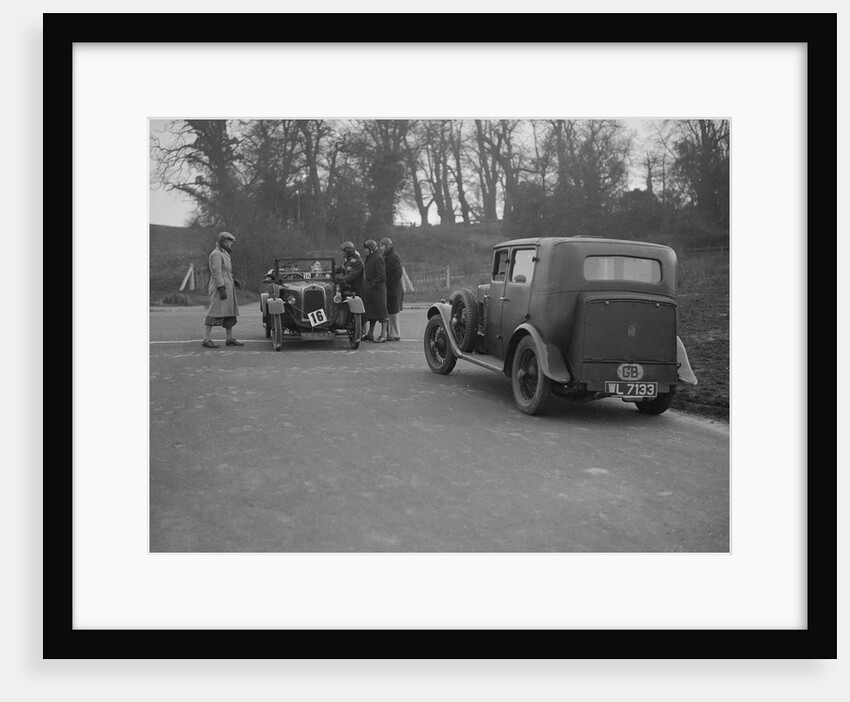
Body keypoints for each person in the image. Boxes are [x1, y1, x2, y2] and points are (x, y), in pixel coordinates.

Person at [202, 231, 243, 348]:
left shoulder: (224, 254)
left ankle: (229, 338)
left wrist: (233, 281)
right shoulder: (216, 254)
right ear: (224, 241)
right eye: (230, 241)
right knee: (215, 310)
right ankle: (206, 339)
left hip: (227, 285)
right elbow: (216, 273)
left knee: (229, 311)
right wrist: (221, 288)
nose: (231, 244)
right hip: (220, 286)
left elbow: (226, 272)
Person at [361, 239, 388, 342]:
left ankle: (383, 335)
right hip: (371, 290)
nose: (365, 251)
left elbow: (382, 276)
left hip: (378, 291)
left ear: (371, 248)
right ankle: (370, 334)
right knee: (371, 314)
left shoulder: (378, 258)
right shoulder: (371, 257)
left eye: (366, 249)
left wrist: (373, 285)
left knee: (382, 314)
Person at [380, 237, 404, 342]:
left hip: (394, 288)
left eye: (382, 246)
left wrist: (389, 283)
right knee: (390, 311)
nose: (381, 248)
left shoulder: (394, 256)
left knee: (394, 311)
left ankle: (395, 334)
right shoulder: (386, 256)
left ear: (388, 246)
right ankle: (391, 333)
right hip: (390, 287)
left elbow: (398, 272)